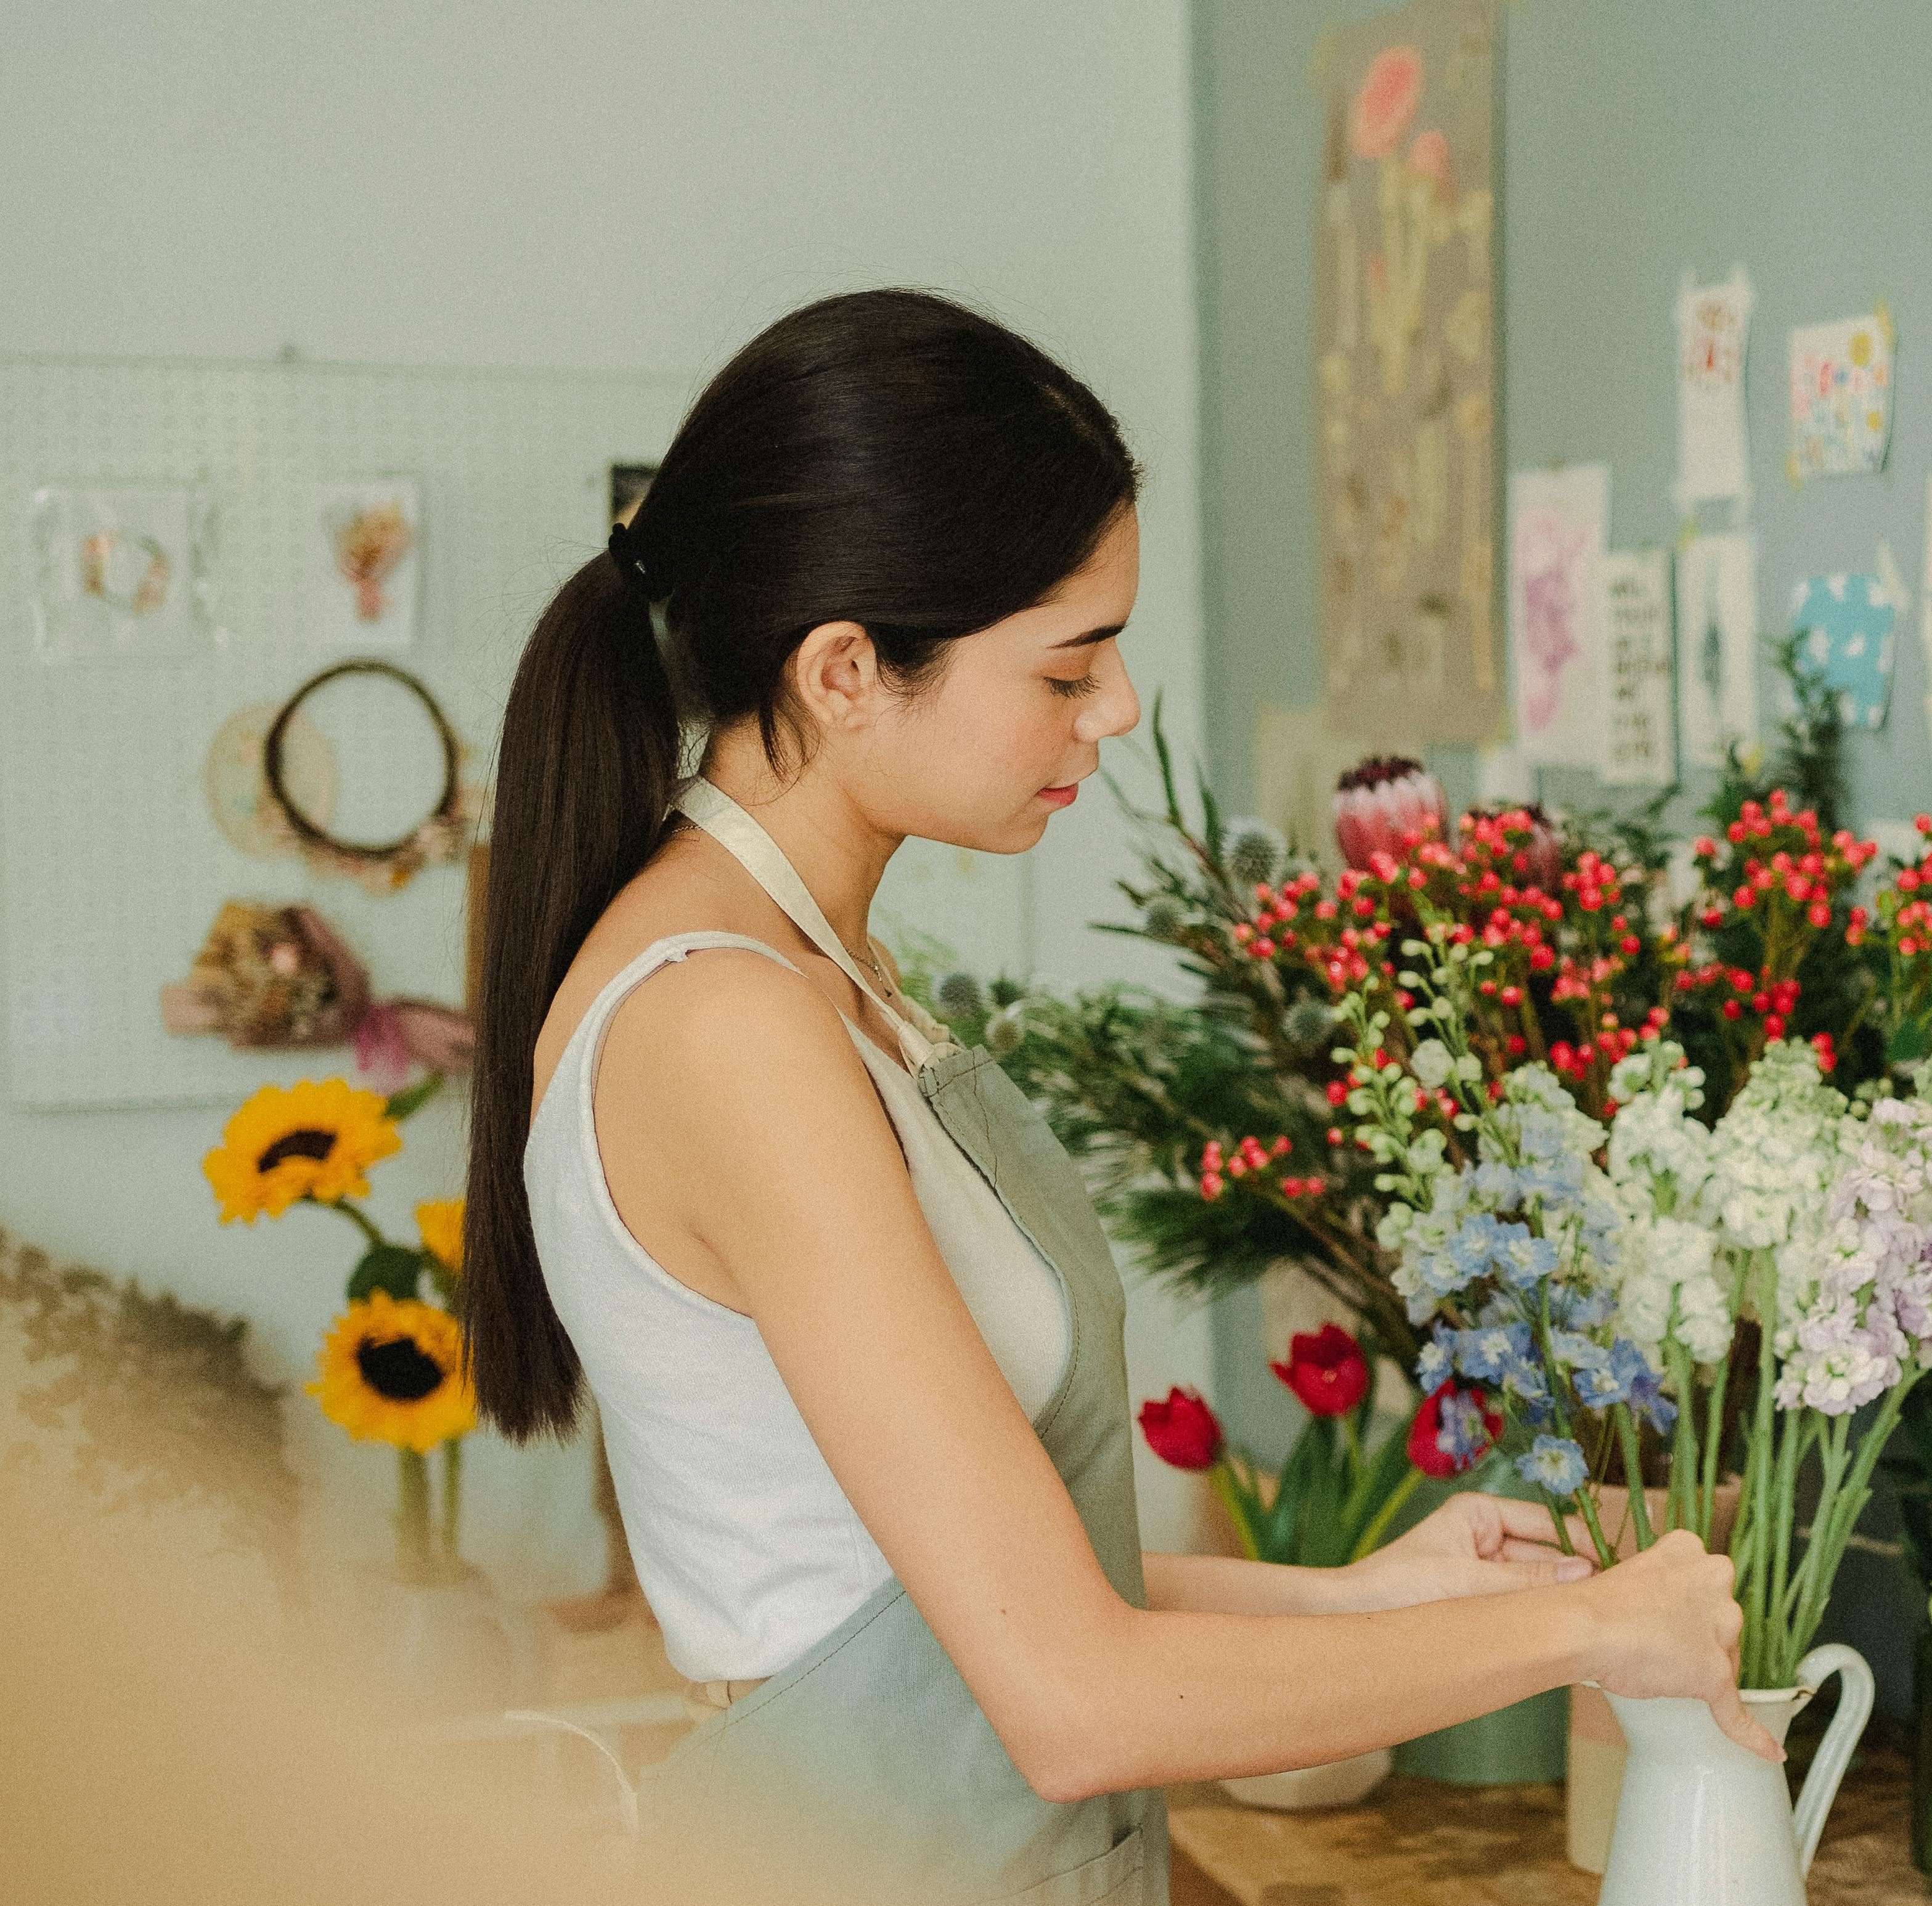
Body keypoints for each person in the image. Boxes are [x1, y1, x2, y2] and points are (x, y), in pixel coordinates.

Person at [458, 289, 1766, 1906]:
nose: (1119, 711)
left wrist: (1368, 1600)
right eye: (1068, 667)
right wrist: (1586, 1626)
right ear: (848, 669)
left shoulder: (826, 979)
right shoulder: (723, 1024)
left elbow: (976, 1605)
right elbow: (1073, 1702)